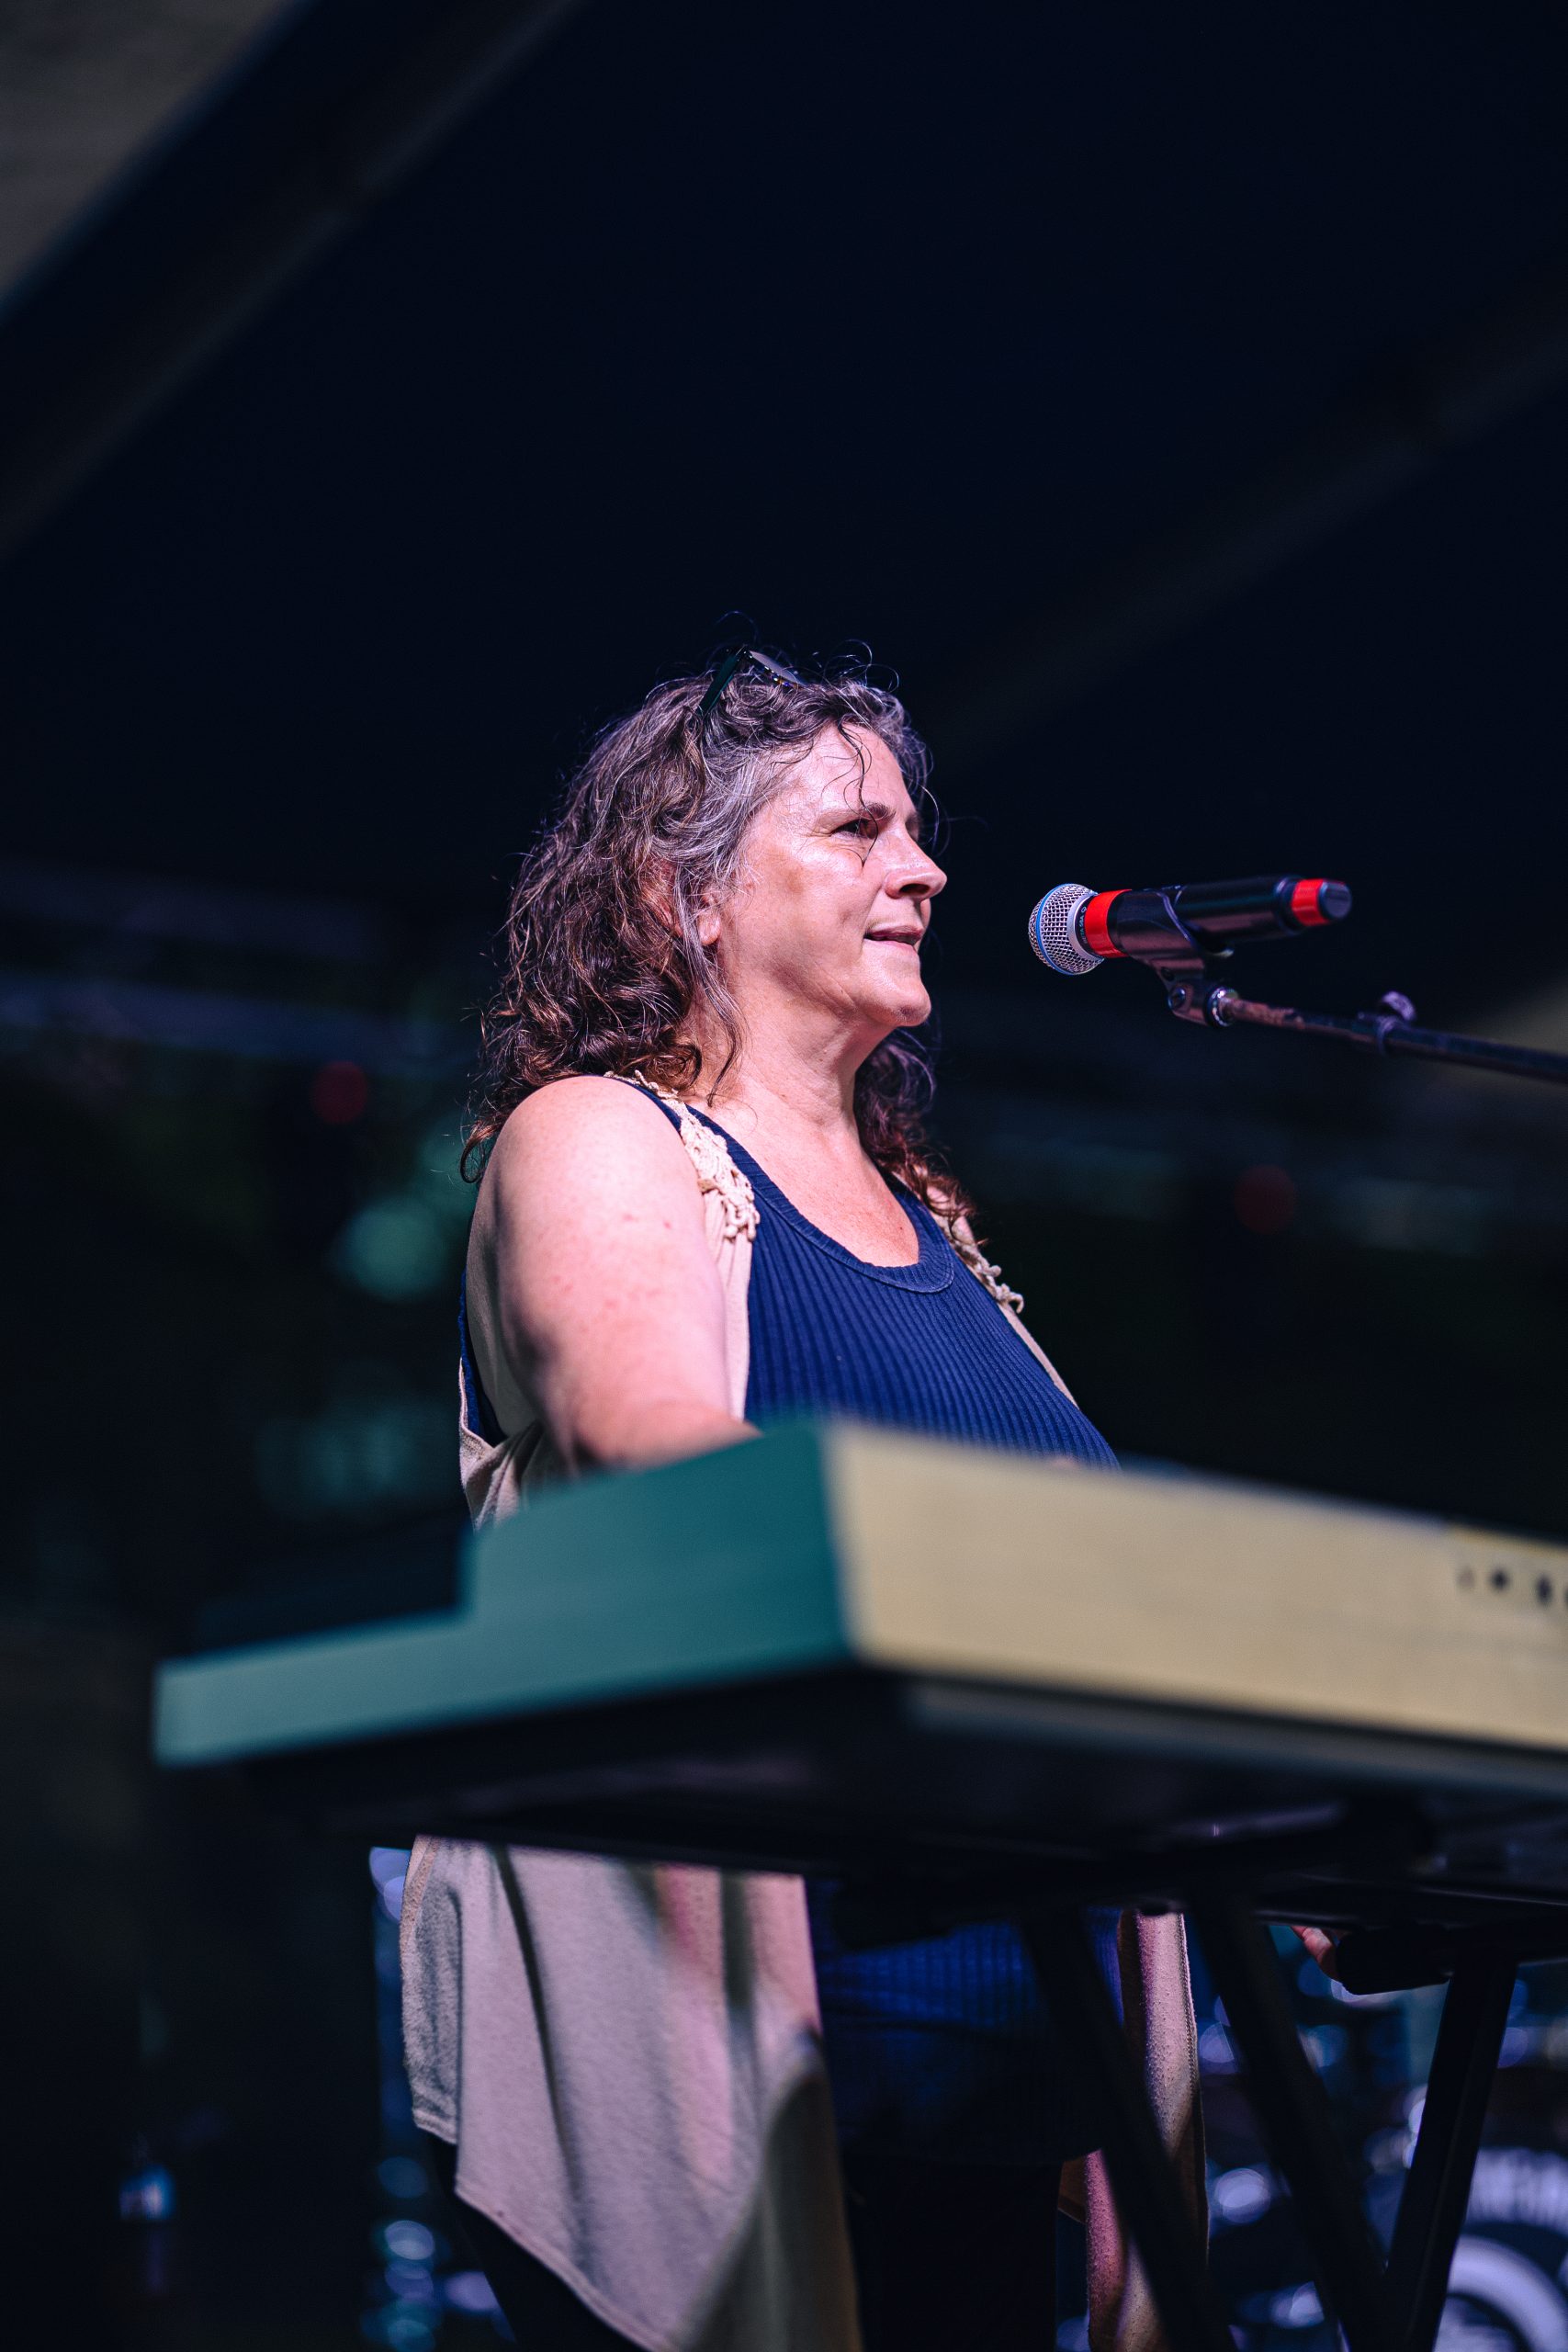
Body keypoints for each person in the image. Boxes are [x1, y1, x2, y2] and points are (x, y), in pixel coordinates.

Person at [400, 652, 1204, 2352]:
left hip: (1005, 2097)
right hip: (767, 2078)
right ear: (679, 893)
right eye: (856, 830)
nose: (925, 870)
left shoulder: (938, 1227)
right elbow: (654, 1446)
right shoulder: (602, 1137)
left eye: (915, 830)